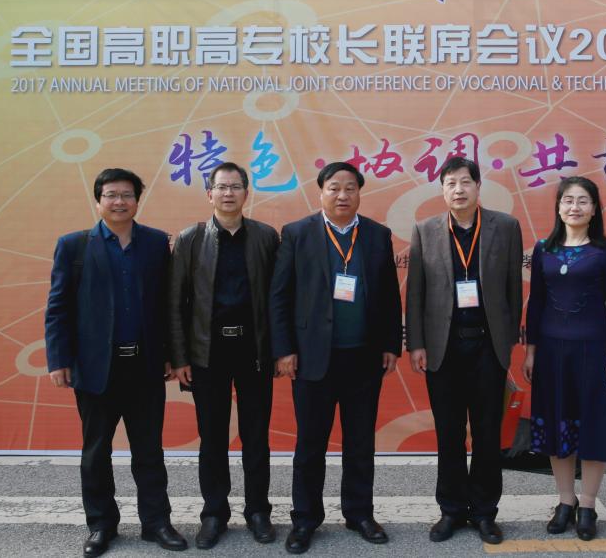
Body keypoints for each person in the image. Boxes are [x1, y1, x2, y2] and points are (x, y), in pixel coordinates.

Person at [45, 168, 187, 557]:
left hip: (145, 365)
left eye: (127, 195)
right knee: (96, 452)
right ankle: (101, 525)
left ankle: (156, 523)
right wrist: (58, 358)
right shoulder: (73, 246)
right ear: (98, 201)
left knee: (149, 450)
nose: (119, 202)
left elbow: (168, 304)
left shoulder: (156, 243)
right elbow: (58, 307)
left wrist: (172, 355)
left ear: (137, 200)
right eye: (111, 195)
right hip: (96, 367)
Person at [269, 161, 403, 554]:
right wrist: (284, 349)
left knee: (360, 443)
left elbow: (389, 294)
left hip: (363, 357)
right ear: (321, 192)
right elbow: (279, 296)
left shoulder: (377, 234)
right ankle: (305, 519)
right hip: (313, 358)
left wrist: (390, 345)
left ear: (359, 193)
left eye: (350, 188)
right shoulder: (297, 233)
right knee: (310, 444)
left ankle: (359, 513)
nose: (342, 195)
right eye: (334, 188)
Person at [405, 157, 524, 545]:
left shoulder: (505, 227)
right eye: (450, 183)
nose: (458, 190)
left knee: (488, 434)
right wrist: (417, 343)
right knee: (449, 433)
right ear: (442, 190)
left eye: (465, 182)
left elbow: (513, 289)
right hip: (444, 347)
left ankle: (485, 512)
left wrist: (506, 341)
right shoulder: (425, 230)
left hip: (488, 346)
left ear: (478, 186)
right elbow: (416, 293)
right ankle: (452, 510)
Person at [168, 162, 280, 549]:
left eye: (235, 187)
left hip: (254, 351)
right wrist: (180, 356)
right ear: (209, 194)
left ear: (247, 193)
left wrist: (280, 351)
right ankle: (214, 514)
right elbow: (176, 302)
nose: (228, 193)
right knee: (212, 437)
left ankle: (258, 511)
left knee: (256, 437)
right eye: (221, 187)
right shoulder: (191, 239)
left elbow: (279, 299)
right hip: (207, 353)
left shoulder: (266, 237)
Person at [522, 176, 606, 540]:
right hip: (552, 353)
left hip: (594, 352)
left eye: (583, 201)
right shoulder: (544, 248)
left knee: (594, 427)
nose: (574, 207)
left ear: (594, 209)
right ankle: (565, 501)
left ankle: (588, 505)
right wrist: (531, 351)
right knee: (557, 426)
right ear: (558, 206)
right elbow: (536, 302)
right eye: (568, 200)